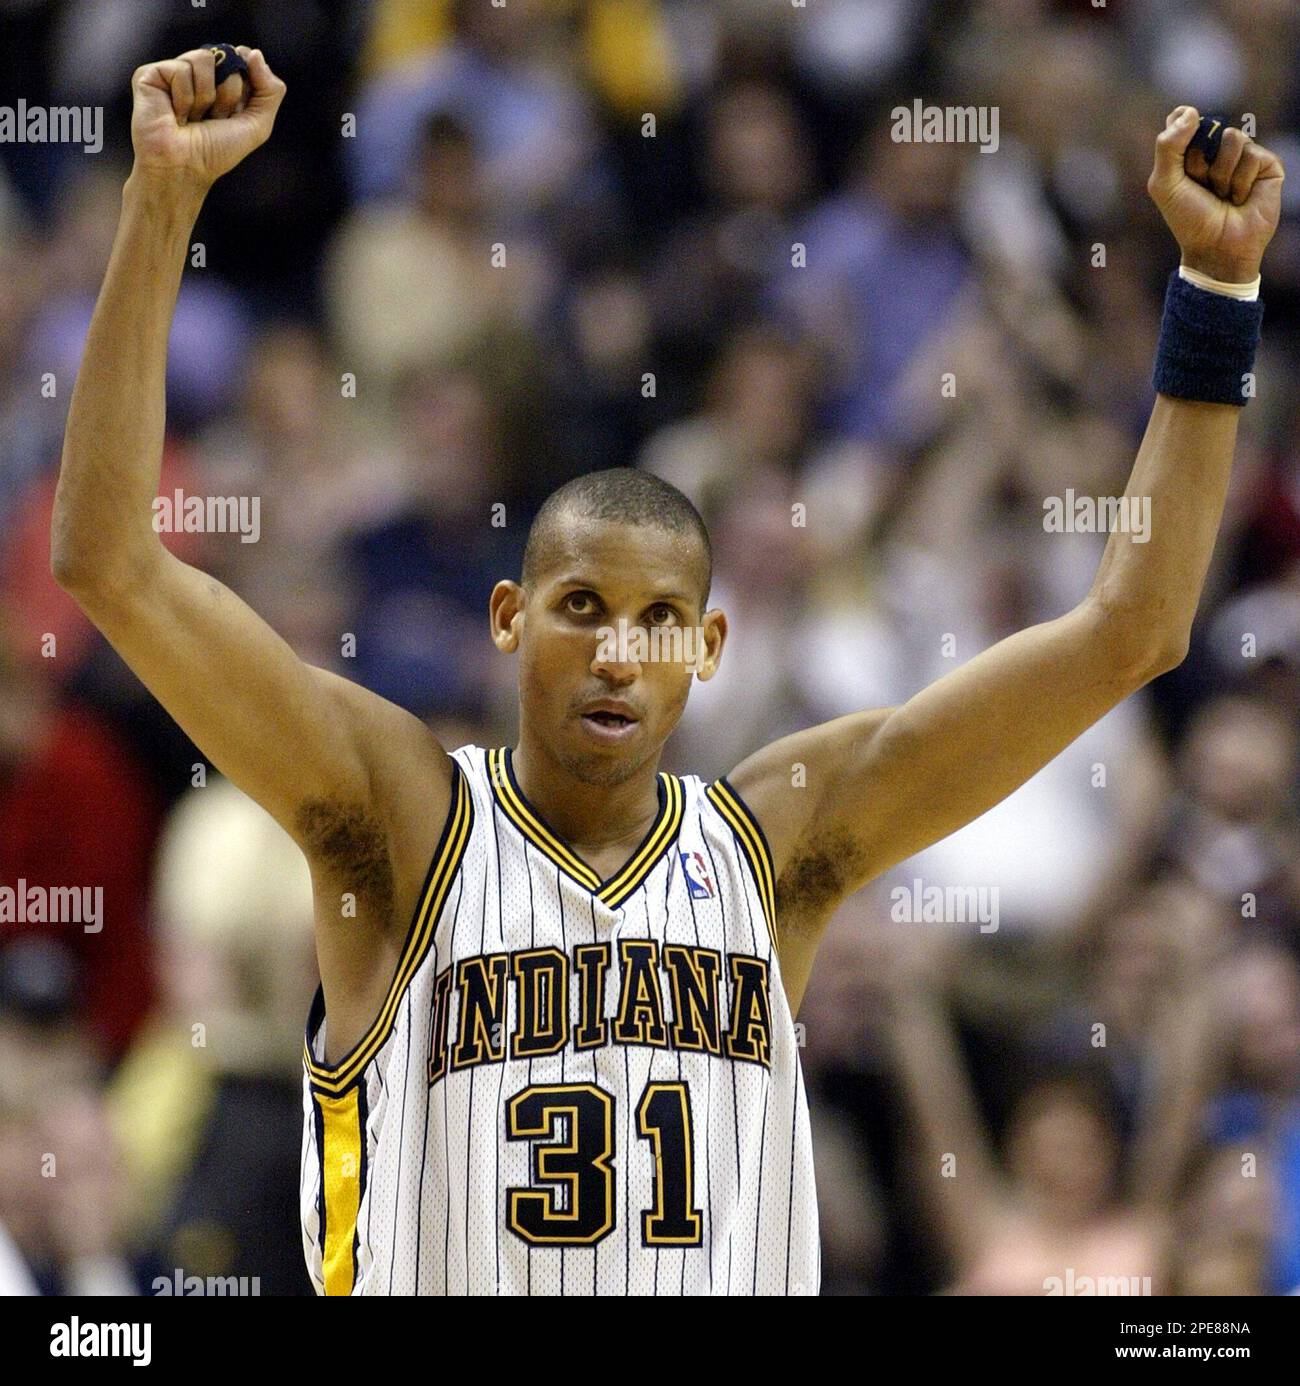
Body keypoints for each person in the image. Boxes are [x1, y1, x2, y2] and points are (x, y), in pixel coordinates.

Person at [50, 44, 1284, 1295]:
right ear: (506, 620)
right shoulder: (402, 818)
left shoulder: (780, 843)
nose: (615, 652)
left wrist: (1212, 296)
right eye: (579, 607)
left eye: (656, 621)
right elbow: (110, 563)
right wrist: (161, 201)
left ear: (707, 647)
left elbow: (1135, 630)